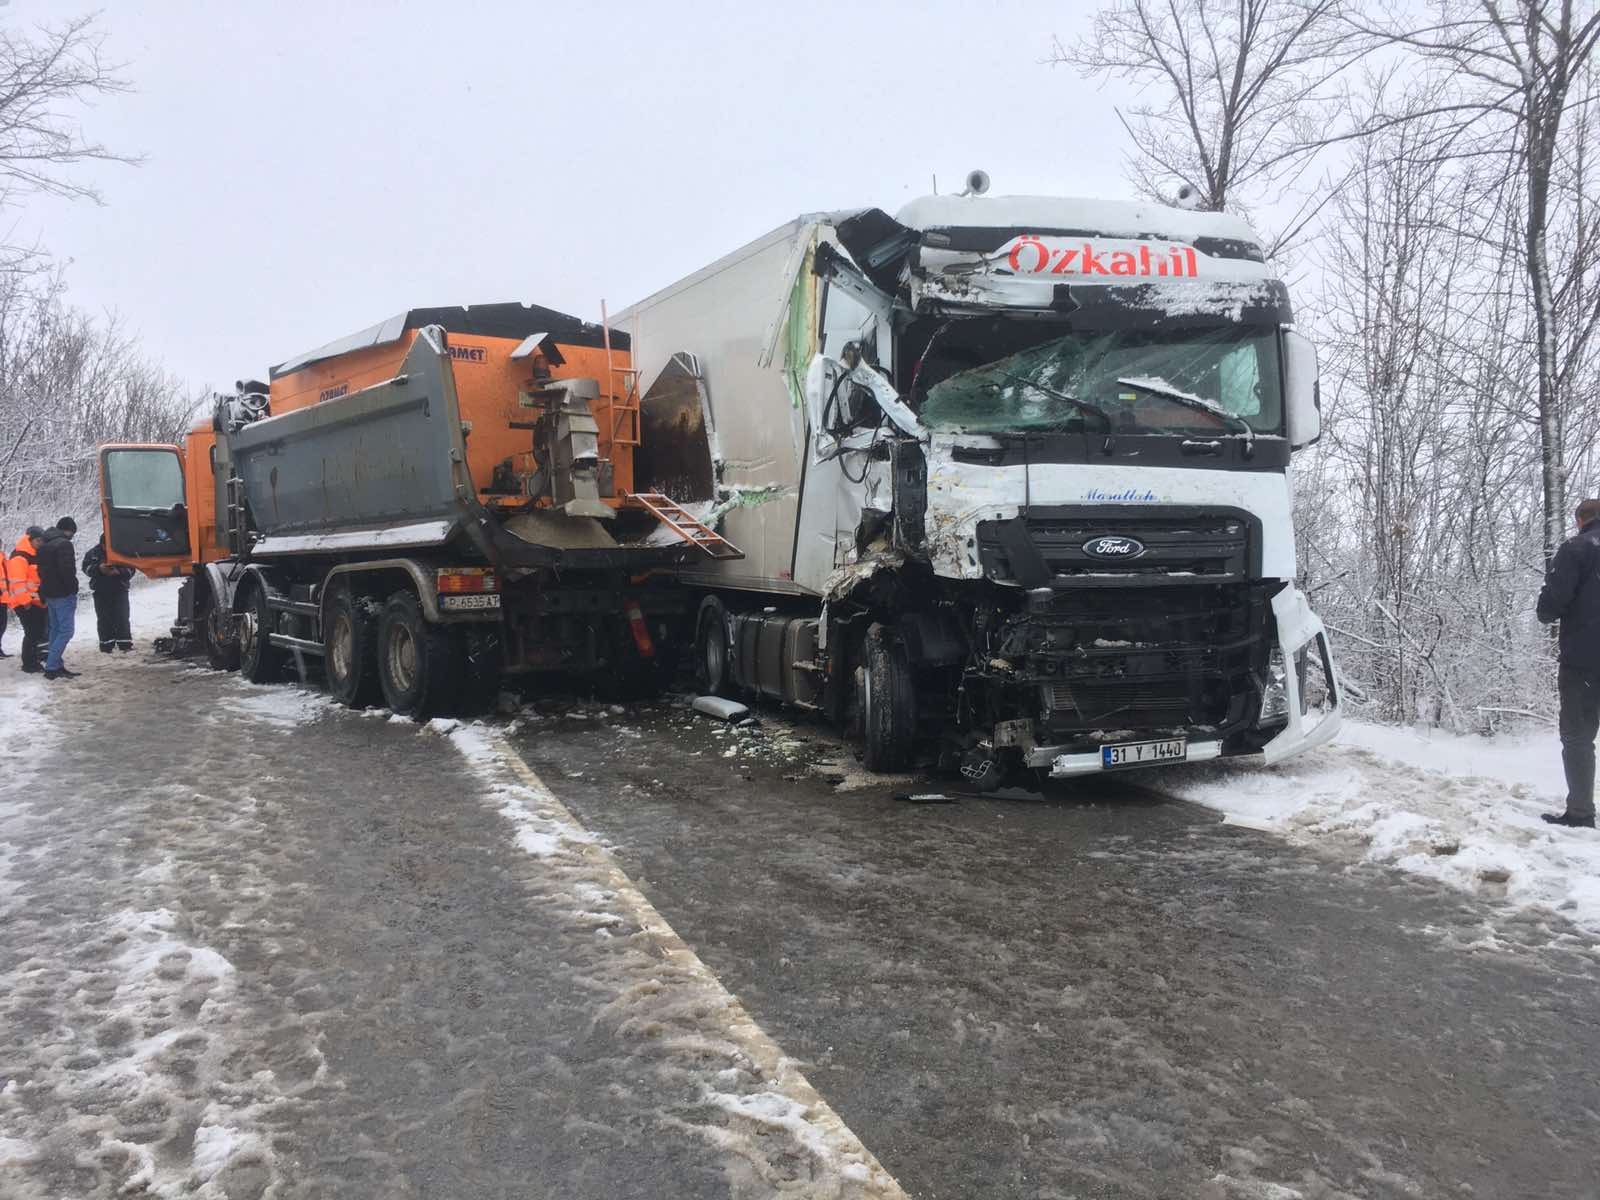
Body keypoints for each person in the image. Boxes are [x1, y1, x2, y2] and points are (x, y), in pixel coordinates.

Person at [1535, 497, 1600, 829]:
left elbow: (1549, 607)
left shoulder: (1578, 548)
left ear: (1580, 520)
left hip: (1586, 661)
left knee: (1578, 735)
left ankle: (1580, 813)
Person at [34, 516, 80, 681]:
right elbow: (67, 571)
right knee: (66, 631)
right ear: (67, 530)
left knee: (55, 629)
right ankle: (52, 666)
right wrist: (73, 589)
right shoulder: (64, 545)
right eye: (72, 532)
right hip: (63, 594)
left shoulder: (44, 546)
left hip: (50, 594)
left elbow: (40, 573)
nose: (72, 536)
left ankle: (56, 664)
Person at [3, 527, 49, 672]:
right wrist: (25, 602)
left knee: (36, 631)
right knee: (32, 632)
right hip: (25, 603)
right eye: (38, 540)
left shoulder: (34, 555)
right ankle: (29, 664)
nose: (40, 543)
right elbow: (17, 582)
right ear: (30, 539)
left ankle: (32, 660)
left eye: (42, 540)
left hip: (35, 601)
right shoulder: (20, 557)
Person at [82, 534, 134, 652]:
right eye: (105, 546)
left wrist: (119, 572)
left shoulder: (122, 552)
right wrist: (99, 569)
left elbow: (132, 569)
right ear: (102, 544)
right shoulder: (93, 553)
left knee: (122, 617)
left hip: (120, 590)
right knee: (104, 619)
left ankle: (125, 644)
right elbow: (86, 568)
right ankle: (106, 645)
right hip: (100, 591)